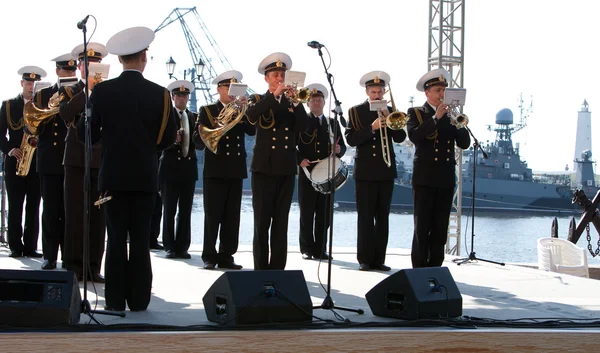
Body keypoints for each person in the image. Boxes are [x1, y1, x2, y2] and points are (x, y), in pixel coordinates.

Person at [79, 27, 177, 311]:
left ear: (120, 59)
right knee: (140, 241)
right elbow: (168, 138)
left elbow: (90, 136)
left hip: (112, 178)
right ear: (144, 57)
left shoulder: (103, 91)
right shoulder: (160, 94)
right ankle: (138, 300)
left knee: (116, 237)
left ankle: (114, 300)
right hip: (146, 177)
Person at [246, 52, 309, 270]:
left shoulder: (293, 103)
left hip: (285, 168)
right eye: (275, 75)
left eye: (282, 74)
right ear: (266, 79)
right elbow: (251, 116)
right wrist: (274, 97)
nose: (280, 78)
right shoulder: (258, 99)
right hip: (263, 168)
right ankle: (260, 269)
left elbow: (304, 127)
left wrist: (297, 102)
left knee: (281, 224)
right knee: (262, 223)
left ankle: (278, 270)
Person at [407, 68, 470, 268]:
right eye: (437, 90)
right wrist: (435, 119)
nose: (442, 94)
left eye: (443, 89)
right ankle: (419, 268)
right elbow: (415, 136)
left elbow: (464, 143)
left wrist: (458, 122)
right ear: (427, 93)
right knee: (422, 226)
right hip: (424, 178)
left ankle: (435, 267)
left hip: (444, 178)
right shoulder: (416, 113)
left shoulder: (452, 116)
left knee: (440, 227)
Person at [345, 71, 406, 271]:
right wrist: (371, 129)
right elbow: (351, 139)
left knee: (382, 216)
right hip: (365, 171)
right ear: (367, 92)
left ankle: (379, 259)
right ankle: (364, 259)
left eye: (380, 92)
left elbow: (400, 137)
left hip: (385, 170)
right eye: (373, 92)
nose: (377, 95)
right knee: (365, 216)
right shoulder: (356, 111)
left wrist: (389, 117)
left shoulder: (392, 112)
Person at [193, 70, 255, 270]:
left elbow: (252, 130)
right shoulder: (208, 110)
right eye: (227, 88)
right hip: (215, 169)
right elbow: (198, 140)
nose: (230, 92)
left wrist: (246, 110)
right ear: (218, 89)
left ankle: (227, 255)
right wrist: (218, 125)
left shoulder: (240, 111)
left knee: (232, 216)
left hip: (235, 169)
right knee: (213, 215)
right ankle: (209, 256)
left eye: (234, 89)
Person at [58, 42, 108, 282]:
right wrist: (87, 91)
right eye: (88, 64)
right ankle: (72, 264)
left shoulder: (108, 91)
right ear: (79, 66)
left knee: (98, 216)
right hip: (76, 159)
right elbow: (66, 113)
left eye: (96, 64)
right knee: (75, 213)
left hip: (100, 160)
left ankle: (93, 266)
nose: (91, 67)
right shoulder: (70, 89)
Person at [34, 54, 75, 269]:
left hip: (71, 162)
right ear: (58, 72)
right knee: (50, 210)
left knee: (69, 212)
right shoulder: (43, 95)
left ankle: (69, 256)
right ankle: (49, 256)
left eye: (72, 71)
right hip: (50, 160)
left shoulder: (78, 93)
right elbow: (32, 127)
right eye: (65, 71)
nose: (69, 74)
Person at [297, 83, 346, 260]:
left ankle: (320, 249)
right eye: (313, 100)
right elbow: (293, 145)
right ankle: (306, 248)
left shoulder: (332, 123)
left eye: (319, 100)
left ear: (325, 103)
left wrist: (340, 149)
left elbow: (344, 148)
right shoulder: (302, 122)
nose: (316, 103)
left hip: (327, 174)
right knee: (307, 213)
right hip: (307, 173)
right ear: (308, 103)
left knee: (324, 214)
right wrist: (298, 159)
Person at [0, 66, 45, 259]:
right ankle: (15, 246)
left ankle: (30, 246)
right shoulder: (9, 105)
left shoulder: (41, 106)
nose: (31, 87)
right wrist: (10, 149)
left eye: (33, 84)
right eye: (28, 83)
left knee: (34, 206)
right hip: (15, 161)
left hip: (36, 163)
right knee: (16, 205)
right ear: (22, 83)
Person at [159, 79, 199, 260]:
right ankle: (169, 246)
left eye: (185, 95)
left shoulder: (194, 117)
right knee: (169, 210)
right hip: (170, 168)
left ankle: (183, 246)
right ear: (173, 97)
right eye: (179, 95)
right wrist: (171, 139)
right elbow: (158, 141)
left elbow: (198, 142)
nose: (182, 98)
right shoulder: (166, 117)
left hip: (188, 169)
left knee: (185, 211)